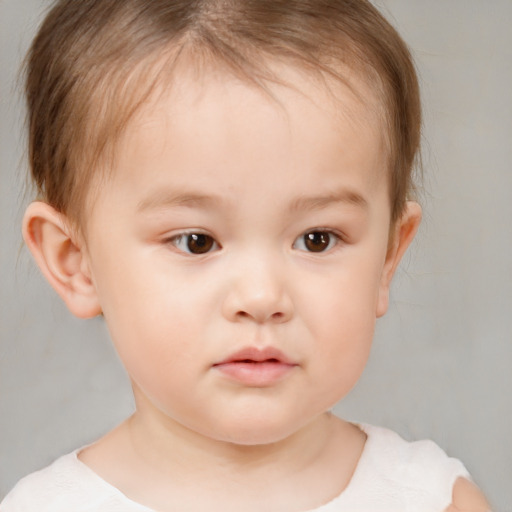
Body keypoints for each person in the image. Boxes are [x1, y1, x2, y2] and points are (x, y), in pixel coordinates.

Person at [1, 1, 490, 510]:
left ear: (388, 256)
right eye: (197, 241)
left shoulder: (432, 501)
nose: (261, 297)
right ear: (75, 261)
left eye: (317, 238)